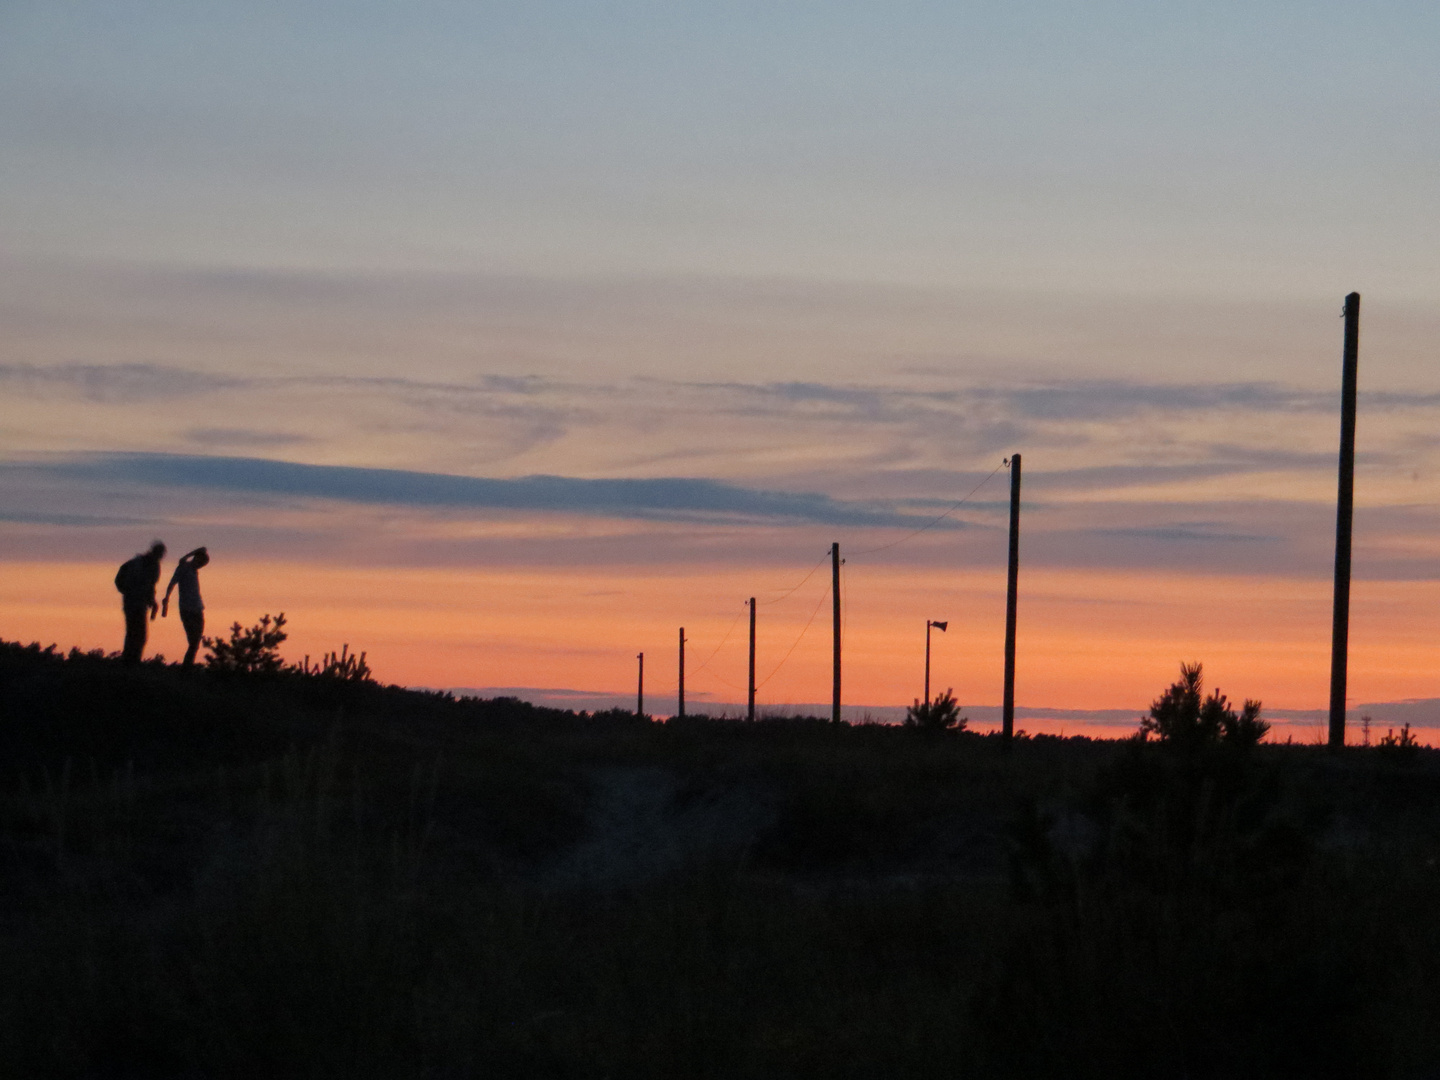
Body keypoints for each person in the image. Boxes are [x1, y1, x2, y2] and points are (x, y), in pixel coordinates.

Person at [114, 541, 166, 663]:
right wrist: (135, 594)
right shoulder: (149, 565)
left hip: (133, 602)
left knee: (133, 633)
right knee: (138, 635)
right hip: (136, 603)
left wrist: (150, 601)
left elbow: (150, 587)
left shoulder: (138, 562)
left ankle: (129, 661)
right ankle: (131, 663)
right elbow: (149, 585)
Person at [162, 547, 210, 667]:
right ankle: (186, 669)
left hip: (198, 608)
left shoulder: (194, 570)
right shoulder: (184, 567)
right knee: (193, 641)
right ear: (196, 559)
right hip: (187, 609)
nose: (201, 566)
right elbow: (172, 582)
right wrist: (167, 598)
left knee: (196, 641)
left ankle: (188, 667)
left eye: (203, 565)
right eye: (200, 563)